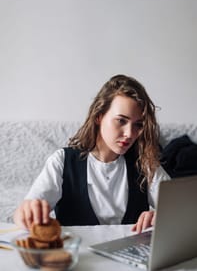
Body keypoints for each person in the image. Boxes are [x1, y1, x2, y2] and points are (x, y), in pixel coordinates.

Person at [13, 74, 170, 233]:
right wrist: (26, 211)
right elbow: (26, 211)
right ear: (99, 117)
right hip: (78, 256)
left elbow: (183, 211)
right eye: (121, 121)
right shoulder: (62, 161)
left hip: (131, 257)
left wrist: (162, 216)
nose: (130, 133)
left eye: (137, 125)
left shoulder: (145, 163)